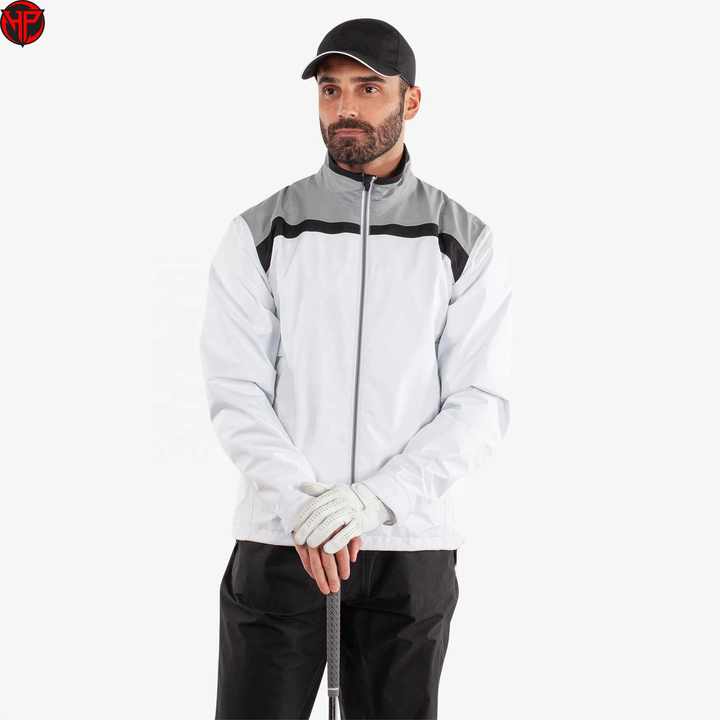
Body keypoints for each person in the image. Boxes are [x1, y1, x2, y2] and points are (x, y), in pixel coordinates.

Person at [200, 17, 512, 720]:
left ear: (410, 100)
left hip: (408, 543)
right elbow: (235, 388)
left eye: (369, 88)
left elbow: (479, 399)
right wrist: (305, 507)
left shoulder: (462, 239)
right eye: (331, 89)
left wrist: (374, 501)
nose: (345, 107)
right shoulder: (262, 231)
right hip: (282, 540)